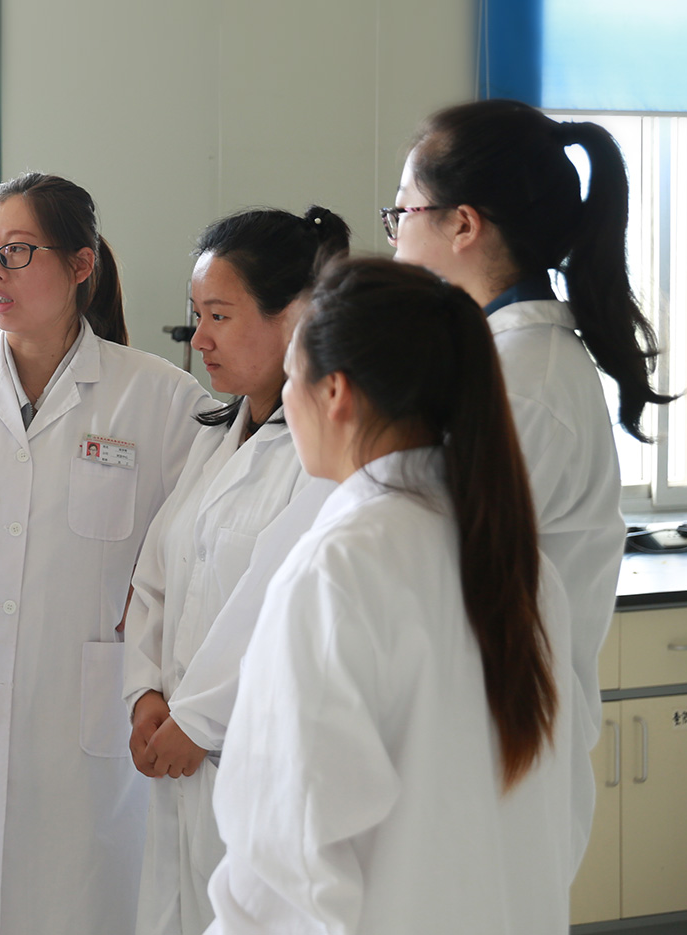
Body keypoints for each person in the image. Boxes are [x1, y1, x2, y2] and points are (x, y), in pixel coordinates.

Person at [0, 172, 212, 934]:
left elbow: (203, 548)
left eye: (17, 252)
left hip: (81, 722)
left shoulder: (157, 399)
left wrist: (152, 634)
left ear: (82, 265)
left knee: (75, 903)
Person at [205, 257, 574, 934]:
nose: (287, 399)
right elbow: (563, 810)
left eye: (291, 377)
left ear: (334, 392)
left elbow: (287, 868)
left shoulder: (337, 568)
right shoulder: (522, 568)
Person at [387, 99, 674, 862]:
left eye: (402, 212)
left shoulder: (524, 384)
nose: (394, 237)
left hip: (492, 751)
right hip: (473, 738)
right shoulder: (499, 361)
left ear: (463, 224)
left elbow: (438, 572)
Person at [123, 206, 348, 935]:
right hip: (181, 759)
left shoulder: (324, 455)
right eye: (197, 316)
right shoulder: (216, 438)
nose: (200, 339)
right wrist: (145, 693)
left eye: (219, 315)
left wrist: (197, 720)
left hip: (253, 758)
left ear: (296, 317)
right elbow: (156, 576)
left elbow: (277, 603)